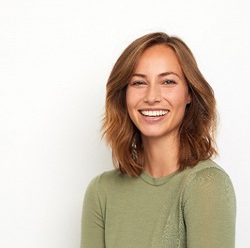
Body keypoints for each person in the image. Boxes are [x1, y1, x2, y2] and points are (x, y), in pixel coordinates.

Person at [81, 32, 236, 248]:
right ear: (124, 95)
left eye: (168, 81)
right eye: (138, 83)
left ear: (189, 93)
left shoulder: (206, 184)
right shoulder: (101, 191)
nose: (152, 97)